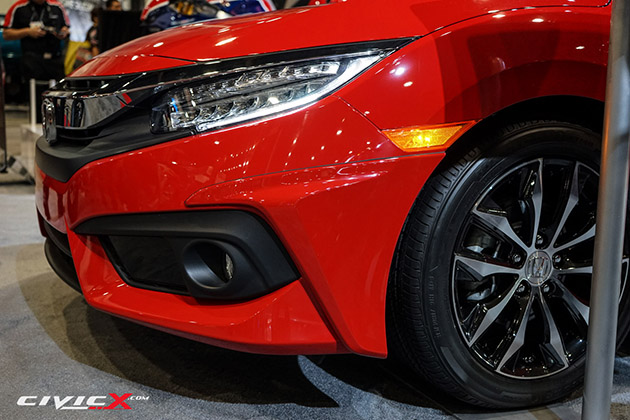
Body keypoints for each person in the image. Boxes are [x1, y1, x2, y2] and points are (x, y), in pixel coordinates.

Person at [2, 0, 70, 81]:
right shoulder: (18, 7)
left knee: (59, 85)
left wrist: (63, 32)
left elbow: (66, 28)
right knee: (32, 85)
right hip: (31, 59)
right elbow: (6, 34)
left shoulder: (57, 6)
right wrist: (27, 31)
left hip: (55, 58)